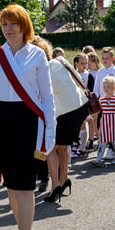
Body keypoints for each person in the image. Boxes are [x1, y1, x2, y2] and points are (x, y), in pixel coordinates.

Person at [0, 5, 55, 230]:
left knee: (24, 185)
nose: (8, 29)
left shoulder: (37, 56)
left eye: (13, 24)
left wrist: (50, 130)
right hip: (3, 122)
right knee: (10, 185)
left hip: (28, 122)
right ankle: (21, 229)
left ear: (24, 27)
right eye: (4, 24)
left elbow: (47, 96)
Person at [44, 46, 90, 202]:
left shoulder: (41, 70)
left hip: (64, 112)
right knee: (62, 146)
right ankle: (64, 180)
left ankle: (55, 185)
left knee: (50, 148)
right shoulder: (61, 60)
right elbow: (80, 79)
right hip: (81, 107)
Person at [92, 76, 115, 166]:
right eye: (104, 87)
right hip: (105, 123)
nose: (106, 89)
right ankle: (98, 159)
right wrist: (94, 114)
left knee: (114, 141)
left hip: (113, 123)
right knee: (102, 141)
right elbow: (98, 110)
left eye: (108, 87)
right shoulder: (102, 99)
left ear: (114, 87)